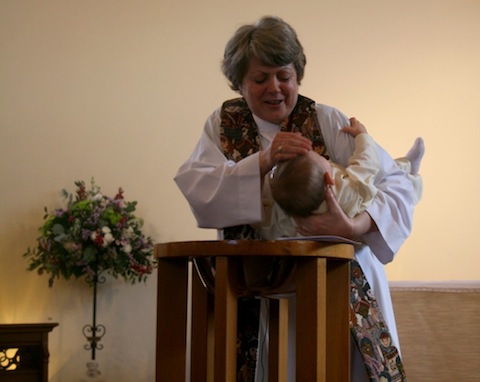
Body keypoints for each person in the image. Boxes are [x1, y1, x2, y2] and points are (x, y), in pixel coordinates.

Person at [174, 15, 416, 381]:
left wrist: (352, 225)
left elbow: (397, 186)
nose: (275, 88)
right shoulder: (222, 126)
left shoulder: (326, 120)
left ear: (297, 76)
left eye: (284, 76)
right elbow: (198, 190)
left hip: (338, 281)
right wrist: (261, 162)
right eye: (260, 78)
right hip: (255, 290)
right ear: (239, 82)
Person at [264, 118, 424, 238]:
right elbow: (367, 163)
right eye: (319, 157)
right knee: (403, 182)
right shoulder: (347, 188)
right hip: (364, 202)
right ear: (328, 178)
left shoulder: (292, 211)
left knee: (395, 176)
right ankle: (410, 168)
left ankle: (407, 167)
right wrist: (362, 136)